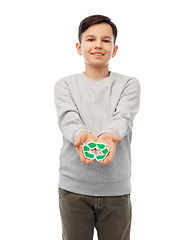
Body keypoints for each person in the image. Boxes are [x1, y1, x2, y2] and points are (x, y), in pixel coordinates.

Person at [54, 14, 140, 240]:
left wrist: (108, 135)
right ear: (79, 46)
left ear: (115, 48)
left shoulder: (129, 84)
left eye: (106, 40)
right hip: (73, 190)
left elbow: (124, 117)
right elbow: (68, 119)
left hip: (116, 190)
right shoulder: (65, 85)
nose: (98, 45)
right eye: (90, 39)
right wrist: (81, 134)